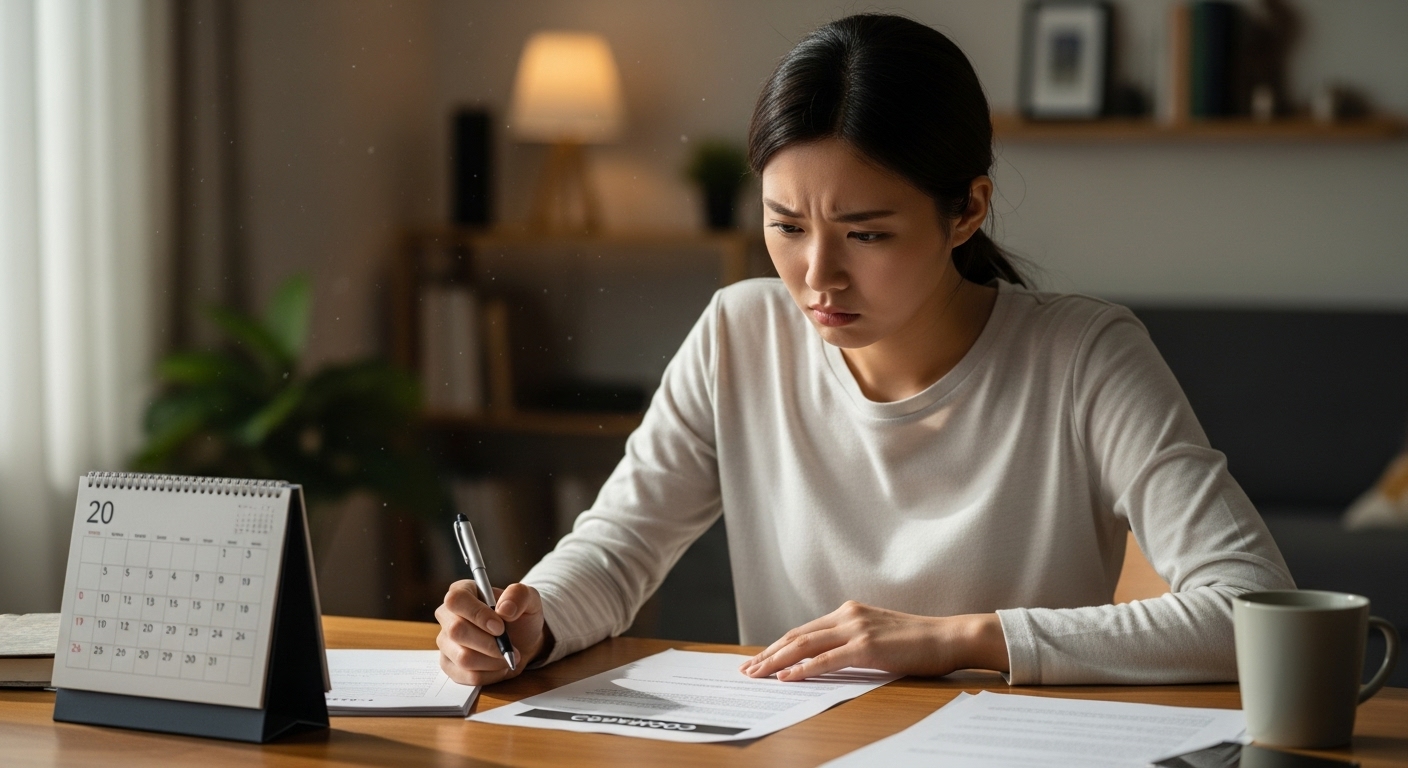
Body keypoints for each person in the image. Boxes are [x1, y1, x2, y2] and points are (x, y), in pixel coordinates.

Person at [435, 13, 1293, 687]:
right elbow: (619, 548)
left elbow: (1256, 609)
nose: (817, 277)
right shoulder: (740, 333)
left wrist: (951, 640)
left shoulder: (1084, 355)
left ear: (966, 210)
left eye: (867, 234)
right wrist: (531, 619)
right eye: (785, 226)